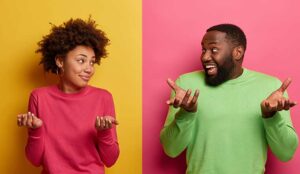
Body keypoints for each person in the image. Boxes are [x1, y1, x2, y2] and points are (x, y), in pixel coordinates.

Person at [160, 24, 298, 174]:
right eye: (203, 50)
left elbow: (286, 153)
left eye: (213, 50)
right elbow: (171, 149)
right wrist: (186, 113)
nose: (205, 57)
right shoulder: (185, 86)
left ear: (237, 52)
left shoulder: (271, 88)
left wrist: (271, 117)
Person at [17, 18, 119, 174]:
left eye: (92, 62)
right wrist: (36, 130)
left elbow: (110, 160)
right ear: (60, 61)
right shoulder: (39, 97)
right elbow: (34, 160)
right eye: (81, 61)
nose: (89, 69)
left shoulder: (103, 98)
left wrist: (104, 133)